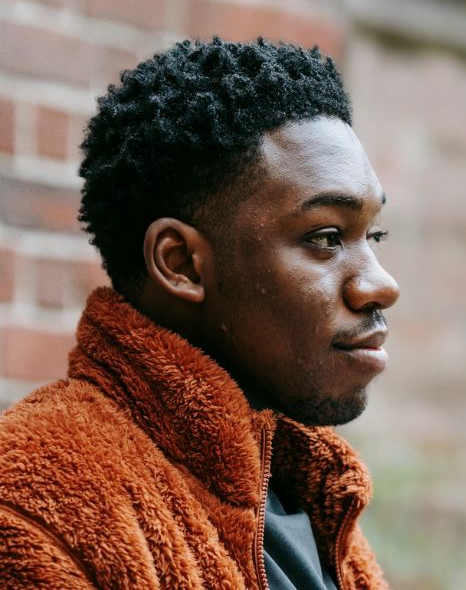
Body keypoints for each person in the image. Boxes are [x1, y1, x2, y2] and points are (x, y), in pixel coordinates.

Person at [0, 38, 398, 589]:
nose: (381, 284)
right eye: (327, 237)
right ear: (181, 263)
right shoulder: (36, 504)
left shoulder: (314, 504)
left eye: (372, 234)